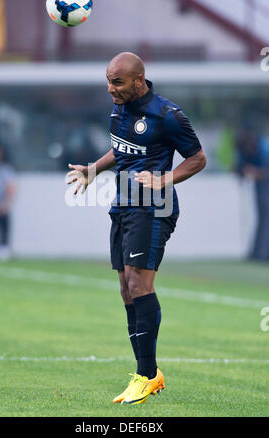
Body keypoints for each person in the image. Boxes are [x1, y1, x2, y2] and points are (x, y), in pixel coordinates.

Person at [67, 52, 206, 405]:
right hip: (124, 204)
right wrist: (93, 169)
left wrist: (165, 179)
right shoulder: (120, 108)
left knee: (138, 283)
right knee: (125, 289)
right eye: (108, 81)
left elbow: (198, 158)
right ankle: (144, 374)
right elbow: (122, 149)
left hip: (155, 207)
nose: (110, 89)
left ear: (138, 81)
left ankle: (147, 376)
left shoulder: (168, 115)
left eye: (117, 82)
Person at [235, 127, 269, 261]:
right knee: (262, 217)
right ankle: (259, 253)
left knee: (265, 216)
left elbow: (265, 171)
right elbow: (240, 167)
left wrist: (254, 171)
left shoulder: (264, 148)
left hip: (265, 184)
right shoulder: (244, 149)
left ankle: (263, 253)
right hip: (260, 186)